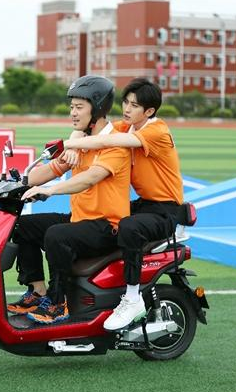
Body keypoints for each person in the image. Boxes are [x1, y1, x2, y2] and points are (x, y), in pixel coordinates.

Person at [6, 75, 131, 324]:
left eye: (79, 107)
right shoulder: (79, 142)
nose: (72, 113)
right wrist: (20, 183)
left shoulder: (115, 145)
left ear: (97, 108)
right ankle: (37, 291)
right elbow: (45, 172)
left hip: (107, 226)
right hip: (80, 220)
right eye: (71, 107)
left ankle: (58, 302)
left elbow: (89, 178)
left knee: (56, 235)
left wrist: (51, 190)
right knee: (21, 226)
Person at [62, 77, 184, 331]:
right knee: (107, 222)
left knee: (128, 226)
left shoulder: (156, 130)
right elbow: (91, 127)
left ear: (149, 111)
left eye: (134, 106)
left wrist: (67, 144)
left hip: (166, 208)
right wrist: (74, 140)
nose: (127, 109)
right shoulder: (126, 126)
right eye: (125, 103)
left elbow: (105, 141)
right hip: (144, 203)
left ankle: (132, 297)